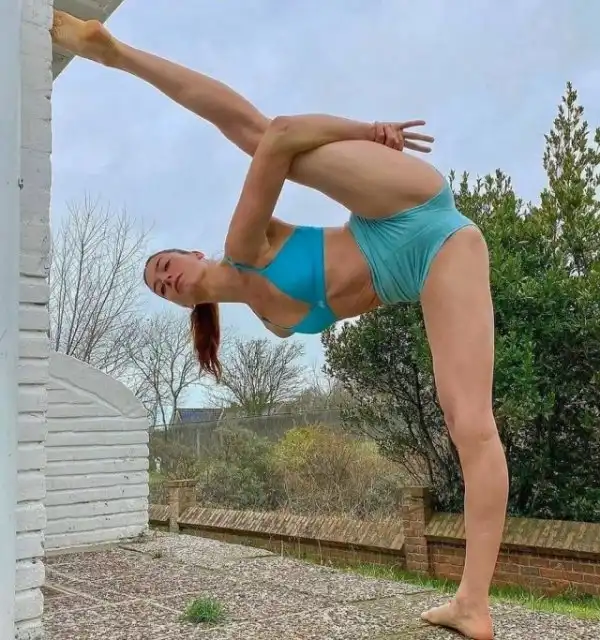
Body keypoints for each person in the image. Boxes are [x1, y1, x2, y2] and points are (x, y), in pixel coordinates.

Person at [51, 10, 508, 640]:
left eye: (165, 264)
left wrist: (367, 132)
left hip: (402, 209)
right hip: (434, 263)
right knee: (469, 424)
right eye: (158, 287)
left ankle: (113, 50)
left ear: (193, 254)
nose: (165, 279)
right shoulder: (269, 321)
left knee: (263, 135)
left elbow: (276, 131)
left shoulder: (246, 244)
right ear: (178, 305)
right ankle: (472, 604)